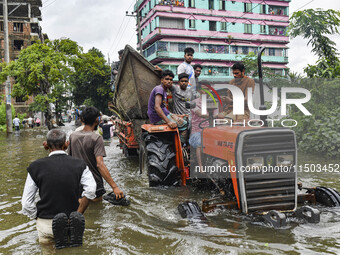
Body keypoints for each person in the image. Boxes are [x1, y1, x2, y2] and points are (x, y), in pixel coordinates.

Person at [21, 129, 96, 249]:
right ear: (66, 144)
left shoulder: (35, 167)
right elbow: (91, 190)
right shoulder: (80, 165)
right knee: (73, 250)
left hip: (46, 222)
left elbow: (26, 204)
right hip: (72, 221)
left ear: (45, 145)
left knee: (48, 250)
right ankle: (72, 223)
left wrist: (39, 216)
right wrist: (78, 213)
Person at [68, 106, 124, 201]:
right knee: (97, 210)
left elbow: (69, 160)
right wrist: (114, 187)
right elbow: (100, 164)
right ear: (97, 120)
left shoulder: (73, 136)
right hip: (94, 182)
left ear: (81, 119)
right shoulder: (96, 138)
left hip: (77, 183)